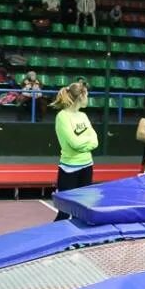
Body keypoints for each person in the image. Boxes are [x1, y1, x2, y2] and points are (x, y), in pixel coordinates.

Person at [50, 82, 99, 221]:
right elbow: (74, 143)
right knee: (64, 213)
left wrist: (85, 144)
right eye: (87, 95)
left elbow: (95, 140)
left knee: (82, 208)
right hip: (69, 169)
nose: (88, 99)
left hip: (87, 166)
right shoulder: (62, 116)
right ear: (81, 96)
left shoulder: (83, 116)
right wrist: (87, 143)